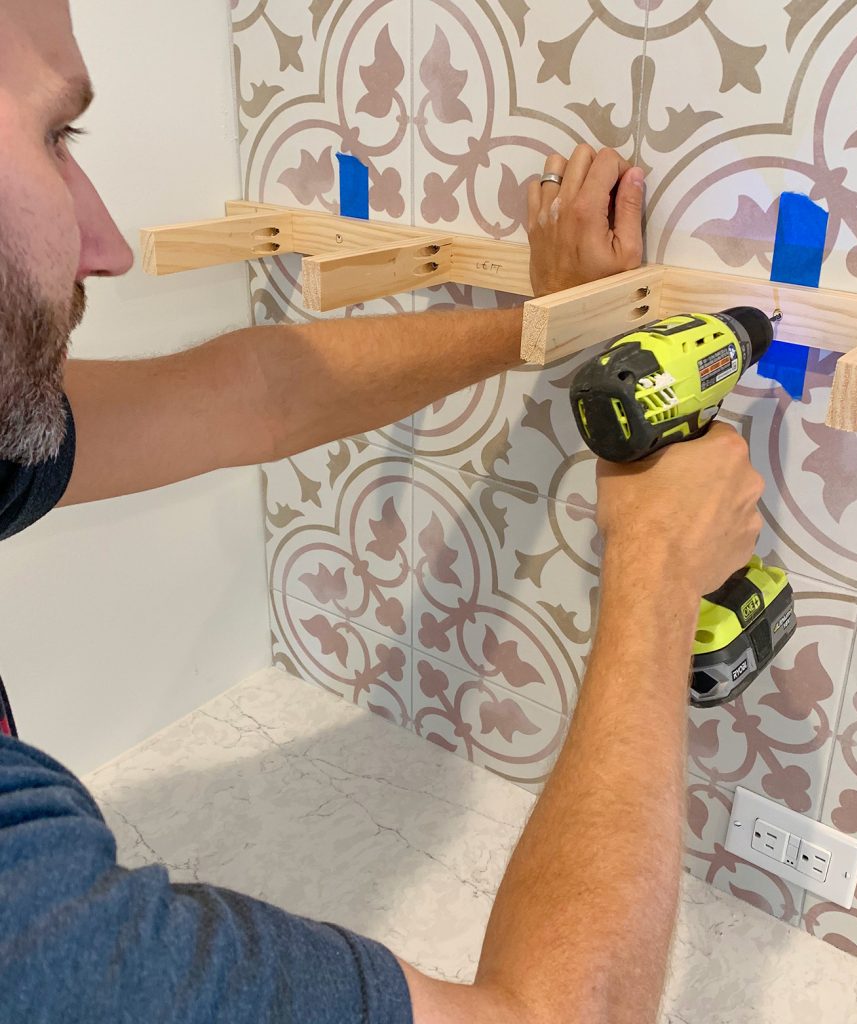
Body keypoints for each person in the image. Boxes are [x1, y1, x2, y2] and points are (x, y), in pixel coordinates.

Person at [0, 2, 765, 1022]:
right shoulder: (38, 932)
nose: (108, 243)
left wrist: (544, 326)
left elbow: (251, 397)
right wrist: (657, 567)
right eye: (58, 136)